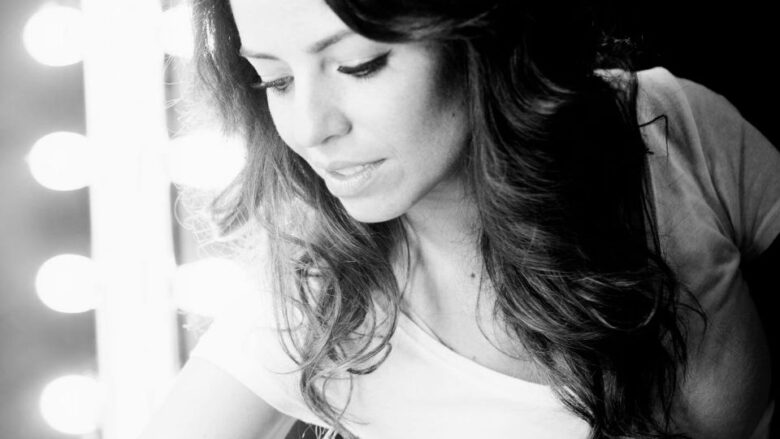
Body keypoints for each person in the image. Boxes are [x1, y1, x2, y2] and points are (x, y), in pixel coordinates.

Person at [141, 0, 780, 438]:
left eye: (358, 66)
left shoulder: (667, 125)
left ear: (474, 37)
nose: (311, 128)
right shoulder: (314, 304)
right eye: (273, 81)